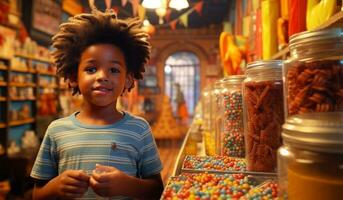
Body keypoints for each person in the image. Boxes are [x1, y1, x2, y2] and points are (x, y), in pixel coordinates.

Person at [30, 3, 163, 200]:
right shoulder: (56, 131)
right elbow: (37, 195)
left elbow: (157, 190)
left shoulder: (139, 129)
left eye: (114, 70)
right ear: (74, 76)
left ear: (128, 78)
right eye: (91, 69)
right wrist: (55, 187)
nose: (102, 76)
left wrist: (126, 185)